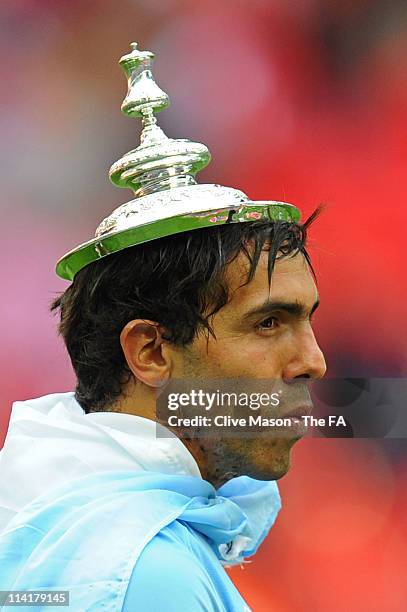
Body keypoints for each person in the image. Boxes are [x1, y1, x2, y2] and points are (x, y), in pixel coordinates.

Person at [0, 43, 326, 611]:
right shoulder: (146, 570)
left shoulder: (48, 517)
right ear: (150, 352)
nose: (313, 362)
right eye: (269, 323)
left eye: (307, 322)